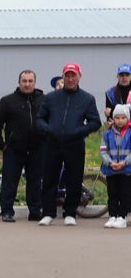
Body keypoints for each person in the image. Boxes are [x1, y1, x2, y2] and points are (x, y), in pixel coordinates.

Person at [37, 62, 101, 225]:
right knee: (50, 179)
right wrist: (48, 129)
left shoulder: (87, 99)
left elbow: (95, 122)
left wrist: (80, 131)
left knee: (74, 179)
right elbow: (39, 119)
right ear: (63, 77)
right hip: (52, 143)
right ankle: (48, 213)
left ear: (79, 77)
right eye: (67, 75)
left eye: (74, 75)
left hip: (75, 145)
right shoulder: (51, 97)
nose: (70, 78)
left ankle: (70, 213)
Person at [0, 69, 46, 222]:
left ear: (35, 82)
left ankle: (35, 212)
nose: (27, 84)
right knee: (10, 181)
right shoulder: (7, 101)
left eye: (30, 81)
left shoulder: (44, 100)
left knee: (35, 181)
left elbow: (51, 122)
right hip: (14, 150)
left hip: (37, 149)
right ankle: (7, 212)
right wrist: (1, 145)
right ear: (19, 82)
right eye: (24, 81)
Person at [100, 104, 131, 228]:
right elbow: (103, 150)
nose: (120, 120)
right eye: (117, 117)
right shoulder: (107, 134)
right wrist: (110, 162)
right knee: (112, 194)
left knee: (124, 194)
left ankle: (122, 217)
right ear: (113, 119)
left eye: (123, 117)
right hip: (111, 169)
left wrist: (125, 162)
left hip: (126, 170)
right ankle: (112, 216)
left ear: (127, 118)